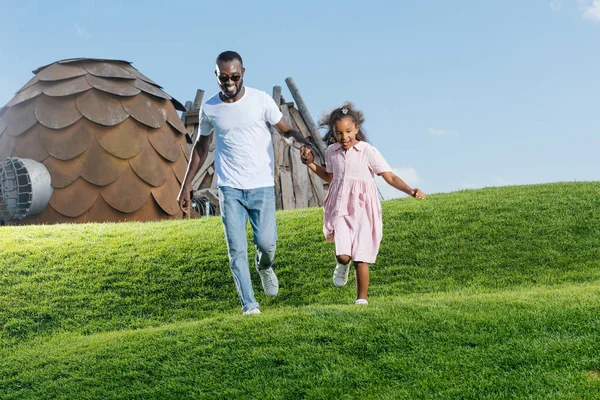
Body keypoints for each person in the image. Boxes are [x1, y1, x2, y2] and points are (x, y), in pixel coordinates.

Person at [178, 51, 312, 315]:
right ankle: (249, 305)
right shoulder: (210, 108)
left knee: (266, 243)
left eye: (234, 77)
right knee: (236, 250)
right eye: (223, 78)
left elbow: (287, 131)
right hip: (230, 189)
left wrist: (304, 145)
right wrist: (185, 186)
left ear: (243, 73)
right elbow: (201, 147)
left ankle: (264, 266)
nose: (229, 83)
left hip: (261, 186)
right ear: (216, 75)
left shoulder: (261, 101)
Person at [300, 102, 425, 305]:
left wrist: (411, 190)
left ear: (356, 129)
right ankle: (342, 266)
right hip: (340, 208)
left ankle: (362, 299)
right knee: (343, 256)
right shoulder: (332, 151)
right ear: (333, 133)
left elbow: (390, 177)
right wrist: (311, 164)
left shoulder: (368, 152)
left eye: (349, 131)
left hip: (364, 210)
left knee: (361, 257)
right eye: (339, 133)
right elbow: (329, 176)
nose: (344, 137)